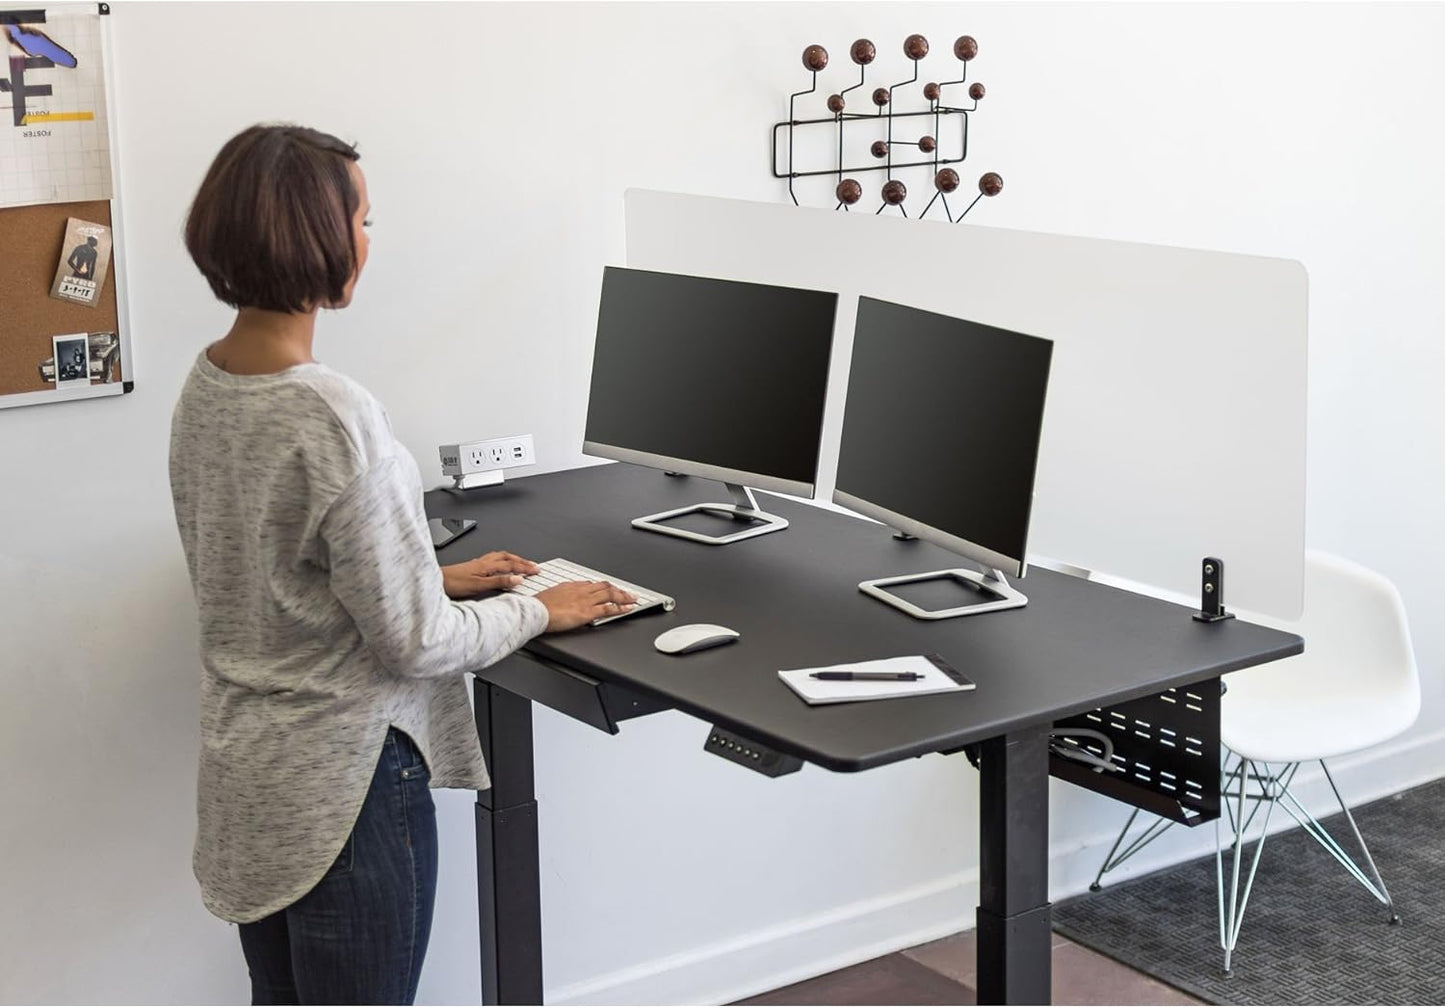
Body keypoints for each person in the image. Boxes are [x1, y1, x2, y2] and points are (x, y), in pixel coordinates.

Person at [169, 123, 636, 1005]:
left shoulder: (210, 384)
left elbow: (271, 570)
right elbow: (417, 645)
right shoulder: (334, 416)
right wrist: (541, 608)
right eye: (364, 221)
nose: (366, 241)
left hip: (251, 777)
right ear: (318, 236)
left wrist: (426, 575)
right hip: (347, 787)